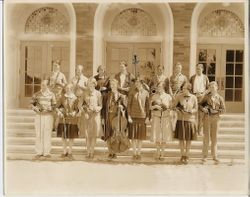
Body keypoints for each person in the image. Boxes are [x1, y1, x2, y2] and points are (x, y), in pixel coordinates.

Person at [199, 81, 226, 164]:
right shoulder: (206, 97)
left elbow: (223, 109)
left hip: (216, 119)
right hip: (207, 118)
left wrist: (217, 111)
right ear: (209, 88)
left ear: (217, 88)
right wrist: (203, 109)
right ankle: (204, 157)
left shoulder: (220, 98)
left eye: (214, 87)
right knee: (206, 138)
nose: (212, 88)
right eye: (211, 87)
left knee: (214, 138)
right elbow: (200, 105)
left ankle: (215, 156)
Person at [31, 80, 56, 159]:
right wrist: (35, 109)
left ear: (47, 86)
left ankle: (47, 152)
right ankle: (39, 152)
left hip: (48, 116)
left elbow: (54, 106)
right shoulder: (36, 94)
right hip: (39, 116)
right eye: (42, 85)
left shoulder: (51, 94)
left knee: (47, 133)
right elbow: (31, 104)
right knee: (39, 133)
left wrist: (49, 108)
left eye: (44, 85)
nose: (43, 86)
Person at [173, 82, 198, 164]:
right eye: (182, 88)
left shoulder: (194, 97)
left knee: (188, 139)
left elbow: (196, 108)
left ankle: (187, 155)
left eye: (184, 88)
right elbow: (174, 106)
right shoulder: (178, 96)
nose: (183, 90)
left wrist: (191, 111)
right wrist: (178, 110)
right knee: (181, 139)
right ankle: (182, 155)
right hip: (181, 120)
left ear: (188, 89)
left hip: (190, 120)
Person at [103, 79, 127, 159]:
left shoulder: (121, 95)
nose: (112, 86)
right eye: (111, 84)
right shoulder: (107, 95)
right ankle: (110, 152)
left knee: (115, 134)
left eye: (114, 84)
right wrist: (102, 118)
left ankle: (115, 152)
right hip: (108, 116)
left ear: (117, 85)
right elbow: (103, 108)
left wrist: (122, 107)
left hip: (117, 117)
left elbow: (125, 107)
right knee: (109, 134)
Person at [80, 77, 103, 159]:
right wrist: (85, 112)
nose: (91, 84)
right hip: (87, 116)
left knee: (93, 135)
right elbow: (80, 105)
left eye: (92, 83)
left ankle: (92, 152)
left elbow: (101, 105)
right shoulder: (84, 93)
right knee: (87, 135)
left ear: (95, 84)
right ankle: (87, 151)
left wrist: (98, 108)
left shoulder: (98, 93)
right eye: (89, 83)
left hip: (95, 116)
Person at [127, 79, 150, 160]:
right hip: (133, 117)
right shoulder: (132, 92)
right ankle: (134, 153)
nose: (137, 84)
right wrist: (129, 116)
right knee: (133, 137)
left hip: (142, 117)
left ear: (142, 84)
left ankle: (139, 153)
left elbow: (147, 106)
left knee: (140, 137)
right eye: (136, 83)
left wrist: (147, 117)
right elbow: (128, 105)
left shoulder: (146, 93)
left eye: (138, 83)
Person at [150, 82, 173, 160]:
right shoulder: (154, 96)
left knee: (164, 137)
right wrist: (155, 106)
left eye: (160, 87)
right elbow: (150, 107)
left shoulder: (168, 96)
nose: (159, 88)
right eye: (158, 87)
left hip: (165, 118)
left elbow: (171, 108)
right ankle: (157, 152)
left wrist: (166, 108)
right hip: (156, 117)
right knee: (157, 136)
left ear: (163, 87)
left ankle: (162, 154)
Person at [56, 84, 79, 160]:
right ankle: (64, 152)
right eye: (67, 88)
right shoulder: (62, 97)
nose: (68, 89)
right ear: (65, 89)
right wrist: (59, 112)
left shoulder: (75, 98)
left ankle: (70, 152)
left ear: (72, 89)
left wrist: (74, 113)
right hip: (63, 119)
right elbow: (57, 107)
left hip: (72, 120)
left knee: (71, 137)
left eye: (70, 88)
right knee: (64, 137)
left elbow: (77, 109)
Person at [190, 63, 210, 135]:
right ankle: (194, 130)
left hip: (202, 97)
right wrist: (192, 95)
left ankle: (200, 130)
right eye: (197, 68)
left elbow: (209, 88)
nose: (198, 70)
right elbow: (189, 88)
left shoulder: (205, 78)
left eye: (199, 68)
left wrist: (203, 93)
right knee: (194, 114)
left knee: (201, 115)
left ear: (202, 69)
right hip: (194, 97)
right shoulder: (192, 77)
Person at [48, 60, 67, 131]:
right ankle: (51, 126)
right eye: (54, 65)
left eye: (56, 65)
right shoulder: (50, 74)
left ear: (59, 66)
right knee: (51, 110)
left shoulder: (62, 75)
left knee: (57, 110)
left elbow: (66, 85)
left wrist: (60, 83)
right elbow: (46, 84)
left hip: (59, 95)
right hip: (51, 94)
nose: (55, 67)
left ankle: (56, 126)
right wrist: (50, 86)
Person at [169, 62, 188, 131]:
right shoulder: (171, 77)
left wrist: (180, 95)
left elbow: (185, 88)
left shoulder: (184, 77)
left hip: (180, 96)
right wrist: (171, 95)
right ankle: (172, 128)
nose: (178, 69)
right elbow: (169, 87)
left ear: (181, 69)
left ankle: (178, 129)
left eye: (179, 68)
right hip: (172, 96)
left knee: (179, 112)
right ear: (175, 68)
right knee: (172, 113)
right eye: (177, 68)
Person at [71, 65, 88, 138]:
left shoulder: (85, 79)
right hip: (75, 98)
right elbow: (71, 89)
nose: (78, 71)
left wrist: (80, 86)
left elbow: (87, 89)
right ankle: (75, 132)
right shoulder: (73, 79)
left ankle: (82, 132)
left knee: (82, 116)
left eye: (79, 70)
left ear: (82, 71)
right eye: (77, 70)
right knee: (75, 116)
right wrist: (74, 86)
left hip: (82, 99)